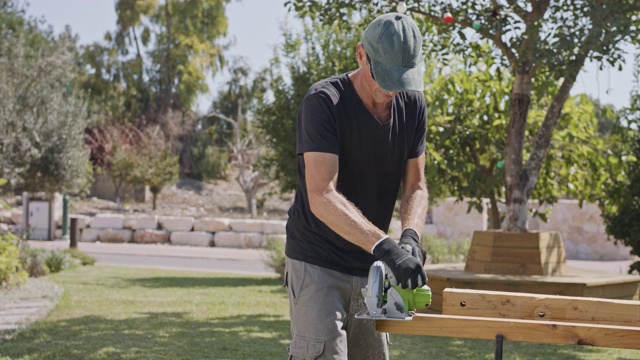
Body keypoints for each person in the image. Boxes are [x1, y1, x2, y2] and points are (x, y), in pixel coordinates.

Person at [284, 12, 429, 360]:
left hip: (371, 268)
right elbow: (322, 195)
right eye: (385, 77)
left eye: (402, 79)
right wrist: (387, 248)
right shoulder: (324, 102)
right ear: (361, 55)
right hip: (318, 261)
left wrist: (410, 237)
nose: (392, 89)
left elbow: (416, 185)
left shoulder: (412, 103)